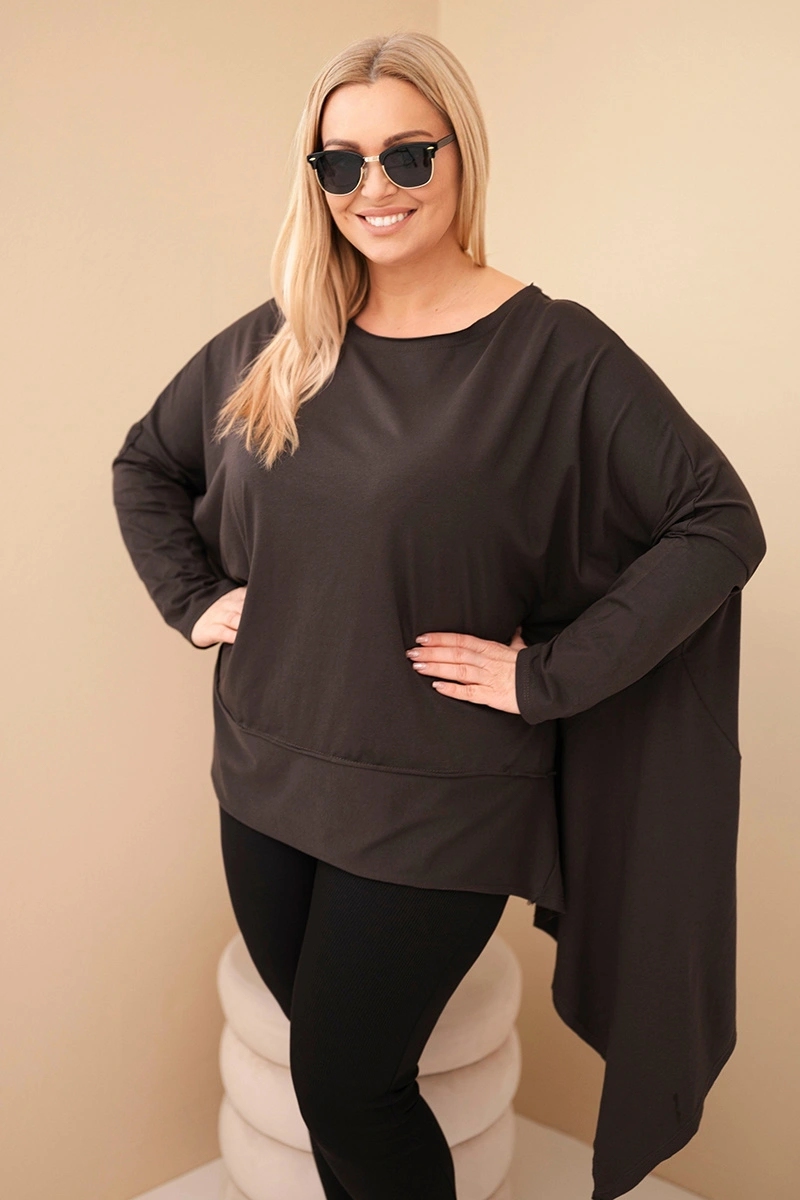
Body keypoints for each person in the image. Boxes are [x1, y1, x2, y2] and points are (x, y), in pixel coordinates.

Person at [111, 30, 766, 1200]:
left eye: (407, 156)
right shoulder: (280, 336)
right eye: (340, 163)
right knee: (334, 1079)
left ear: (461, 156)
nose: (373, 188)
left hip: (438, 792)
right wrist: (195, 600)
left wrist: (545, 675)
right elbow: (147, 465)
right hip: (265, 771)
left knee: (348, 1087)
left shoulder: (552, 352)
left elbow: (715, 521)